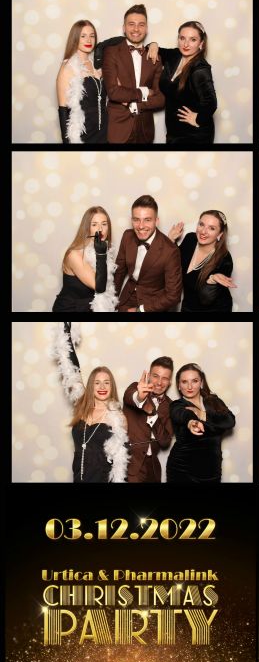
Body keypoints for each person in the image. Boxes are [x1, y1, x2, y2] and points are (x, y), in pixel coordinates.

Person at [50, 322, 128, 483]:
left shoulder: (118, 418)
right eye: (97, 383)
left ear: (112, 386)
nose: (102, 387)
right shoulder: (82, 405)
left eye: (106, 383)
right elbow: (71, 370)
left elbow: (120, 464)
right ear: (91, 386)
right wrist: (65, 333)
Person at [101, 4, 165, 144]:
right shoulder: (111, 52)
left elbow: (161, 98)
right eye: (131, 24)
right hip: (118, 129)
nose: (136, 29)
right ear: (124, 28)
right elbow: (113, 92)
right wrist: (145, 91)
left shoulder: (155, 57)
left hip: (145, 131)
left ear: (146, 29)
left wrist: (137, 105)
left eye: (141, 25)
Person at [146, 21, 217, 145]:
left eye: (193, 39)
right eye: (182, 38)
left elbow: (211, 103)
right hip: (173, 131)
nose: (186, 44)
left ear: (201, 43)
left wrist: (198, 119)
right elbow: (153, 50)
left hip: (194, 134)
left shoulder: (200, 69)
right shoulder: (175, 55)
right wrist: (153, 44)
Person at [166, 363, 235, 483]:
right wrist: (191, 422)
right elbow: (183, 414)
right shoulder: (177, 405)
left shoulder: (214, 401)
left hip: (212, 471)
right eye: (184, 382)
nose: (190, 386)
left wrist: (202, 414)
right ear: (178, 386)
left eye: (195, 381)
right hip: (182, 470)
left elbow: (229, 421)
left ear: (201, 383)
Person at [114, 195, 182, 312]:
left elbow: (173, 295)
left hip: (152, 305)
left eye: (147, 220)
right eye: (136, 219)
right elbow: (119, 273)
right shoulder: (127, 236)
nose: (141, 226)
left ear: (156, 221)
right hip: (126, 299)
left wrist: (140, 310)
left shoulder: (170, 251)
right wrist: (110, 302)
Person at [52, 206, 118, 313]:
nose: (100, 229)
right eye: (94, 224)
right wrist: (101, 254)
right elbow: (99, 287)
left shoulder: (102, 251)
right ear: (87, 228)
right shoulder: (74, 255)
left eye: (104, 224)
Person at [168, 210, 236, 312]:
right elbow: (175, 264)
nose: (203, 231)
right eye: (201, 224)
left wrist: (212, 281)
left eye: (212, 228)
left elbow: (206, 299)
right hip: (188, 306)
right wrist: (170, 241)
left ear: (220, 234)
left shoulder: (224, 260)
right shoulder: (190, 239)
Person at [123, 358, 174, 483]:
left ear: (169, 382)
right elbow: (130, 396)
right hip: (130, 465)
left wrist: (152, 414)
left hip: (153, 470)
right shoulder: (135, 387)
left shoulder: (171, 406)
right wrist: (140, 398)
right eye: (156, 376)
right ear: (149, 376)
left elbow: (165, 441)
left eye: (165, 378)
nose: (159, 382)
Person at [56, 20, 108, 143]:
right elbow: (63, 110)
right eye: (83, 36)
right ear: (75, 39)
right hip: (84, 134)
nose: (88, 40)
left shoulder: (97, 65)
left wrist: (152, 45)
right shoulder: (68, 68)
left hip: (105, 131)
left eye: (92, 36)